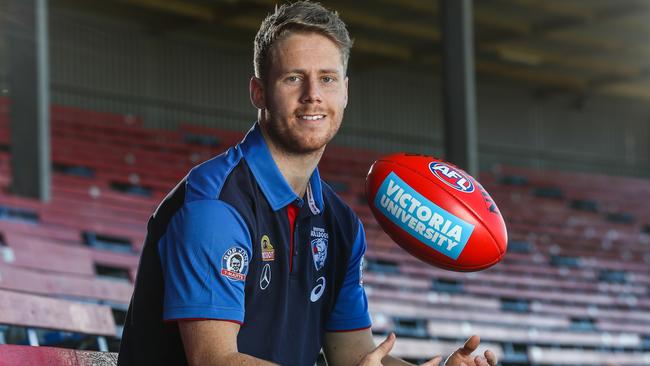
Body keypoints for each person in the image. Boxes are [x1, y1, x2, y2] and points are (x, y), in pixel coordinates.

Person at [117, 1, 498, 365]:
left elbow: (353, 356)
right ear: (259, 92)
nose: (313, 94)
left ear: (345, 91)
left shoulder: (341, 224)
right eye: (293, 77)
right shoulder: (216, 205)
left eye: (327, 79)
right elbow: (215, 360)